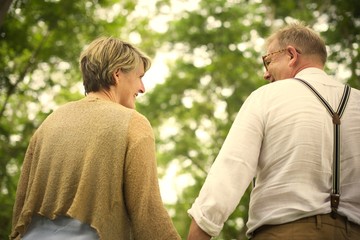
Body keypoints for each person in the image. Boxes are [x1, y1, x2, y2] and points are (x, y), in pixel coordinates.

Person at [187, 22, 360, 240]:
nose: (266, 74)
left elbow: (231, 169)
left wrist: (198, 234)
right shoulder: (357, 102)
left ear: (291, 55)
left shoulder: (267, 97)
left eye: (268, 61)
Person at [10, 36, 181, 240]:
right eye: (139, 77)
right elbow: (147, 214)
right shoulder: (133, 123)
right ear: (117, 74)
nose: (142, 88)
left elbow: (21, 205)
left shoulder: (50, 122)